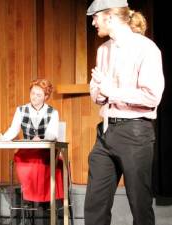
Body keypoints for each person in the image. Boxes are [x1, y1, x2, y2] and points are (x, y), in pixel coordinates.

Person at [84, 1, 165, 225]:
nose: (93, 22)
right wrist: (100, 90)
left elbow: (152, 97)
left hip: (135, 133)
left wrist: (113, 91)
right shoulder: (103, 50)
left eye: (95, 17)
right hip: (106, 131)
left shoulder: (146, 49)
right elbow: (97, 94)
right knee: (95, 204)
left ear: (109, 17)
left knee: (139, 205)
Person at [0, 78, 64, 202]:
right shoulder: (21, 110)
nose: (35, 97)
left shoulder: (53, 112)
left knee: (45, 164)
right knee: (24, 162)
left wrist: (43, 139)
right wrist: (4, 137)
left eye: (39, 95)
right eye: (33, 93)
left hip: (46, 152)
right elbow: (13, 129)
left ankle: (43, 199)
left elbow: (52, 133)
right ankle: (31, 197)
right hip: (28, 151)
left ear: (46, 96)